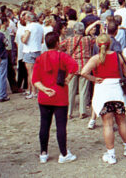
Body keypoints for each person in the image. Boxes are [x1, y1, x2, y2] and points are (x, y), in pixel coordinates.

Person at [80, 34, 126, 165]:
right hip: (117, 92)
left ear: (97, 44)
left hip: (103, 92)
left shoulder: (95, 59)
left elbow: (83, 72)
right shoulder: (118, 57)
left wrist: (94, 79)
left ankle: (111, 154)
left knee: (107, 124)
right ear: (110, 44)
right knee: (122, 122)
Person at [32, 31, 78, 164]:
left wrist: (44, 89)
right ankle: (63, 153)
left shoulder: (40, 58)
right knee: (61, 126)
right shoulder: (62, 56)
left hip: (44, 97)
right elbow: (74, 66)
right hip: (60, 96)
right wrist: (68, 78)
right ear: (58, 43)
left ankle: (43, 153)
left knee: (44, 125)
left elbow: (35, 79)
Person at [59, 22, 93, 119]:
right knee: (83, 90)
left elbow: (59, 46)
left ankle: (69, 112)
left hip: (72, 67)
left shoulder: (69, 40)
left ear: (74, 31)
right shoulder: (88, 39)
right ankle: (82, 111)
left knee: (70, 90)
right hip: (85, 66)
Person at [21, 12, 44, 99]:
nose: (25, 19)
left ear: (29, 18)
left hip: (29, 51)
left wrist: (22, 38)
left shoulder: (29, 27)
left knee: (30, 73)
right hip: (37, 50)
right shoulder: (40, 26)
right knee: (36, 72)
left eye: (26, 18)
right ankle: (34, 90)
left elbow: (25, 40)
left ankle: (33, 92)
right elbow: (42, 40)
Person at [0, 18, 10, 102]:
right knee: (2, 77)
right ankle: (2, 94)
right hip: (2, 57)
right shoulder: (1, 35)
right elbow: (6, 43)